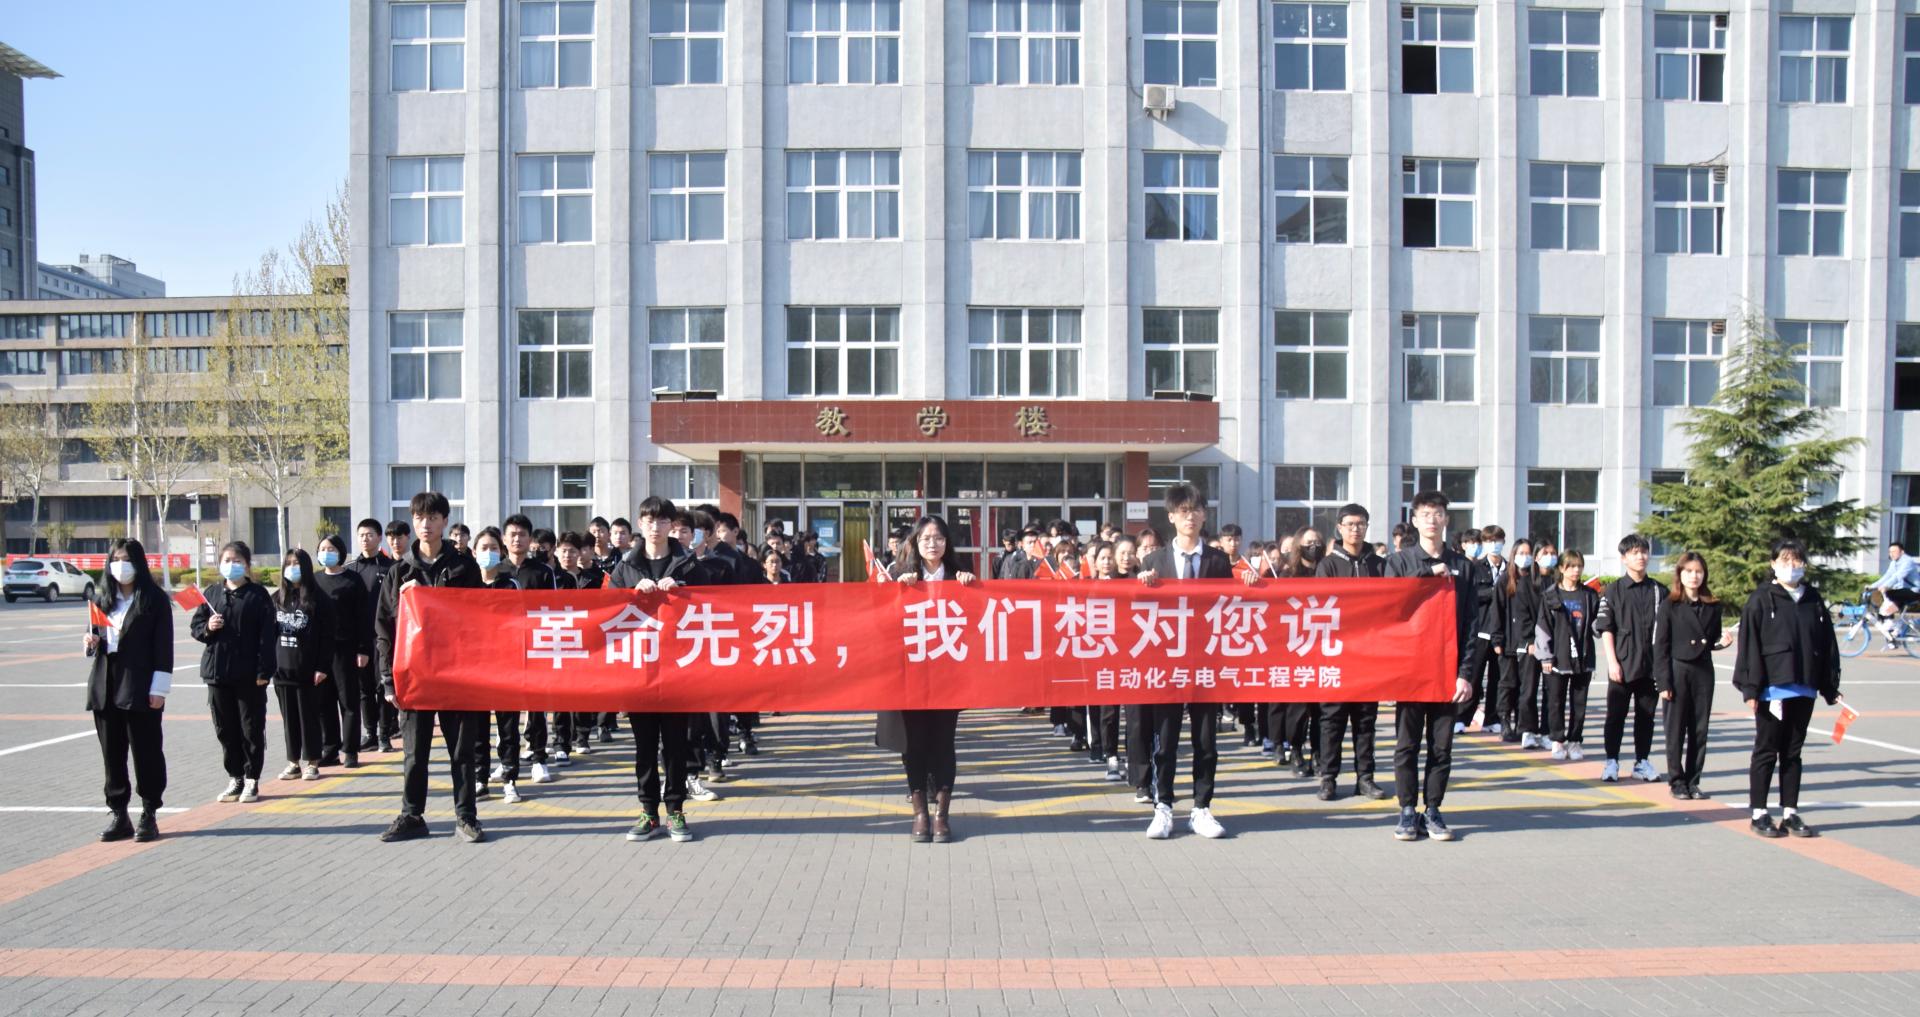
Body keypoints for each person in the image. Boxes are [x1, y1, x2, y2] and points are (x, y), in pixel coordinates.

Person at [1134, 483, 1259, 840]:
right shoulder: (1153, 562)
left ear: (1205, 515)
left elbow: (1232, 605)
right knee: (1166, 739)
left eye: (1196, 510)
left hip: (1207, 663)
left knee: (1206, 740)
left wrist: (1251, 584)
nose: (1190, 517)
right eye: (1183, 511)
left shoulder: (1218, 561)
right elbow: (1136, 611)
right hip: (1168, 663)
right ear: (1171, 517)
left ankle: (1201, 808)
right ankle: (1163, 806)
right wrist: (1140, 584)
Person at [375, 491, 486, 844]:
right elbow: (384, 629)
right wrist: (387, 679)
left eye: (433, 517)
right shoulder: (399, 571)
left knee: (461, 751)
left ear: (444, 521)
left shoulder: (464, 567)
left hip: (456, 674)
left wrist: (428, 595)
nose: (426, 524)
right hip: (414, 675)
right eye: (420, 518)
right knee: (414, 751)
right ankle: (412, 815)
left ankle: (466, 816)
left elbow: (478, 618)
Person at [1383, 490, 1481, 842]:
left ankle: (1434, 809)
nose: (1432, 520)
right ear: (1414, 520)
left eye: (1438, 513)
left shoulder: (1464, 567)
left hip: (1446, 670)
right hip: (1411, 669)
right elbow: (1390, 608)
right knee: (1406, 745)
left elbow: (1471, 625)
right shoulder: (1399, 562)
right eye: (1425, 514)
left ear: (1446, 519)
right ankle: (1408, 810)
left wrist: (1465, 674)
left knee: (1441, 746)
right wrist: (1427, 574)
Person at [609, 496, 707, 843]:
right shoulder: (626, 567)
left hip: (678, 669)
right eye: (649, 520)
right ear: (640, 524)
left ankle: (676, 810)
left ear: (671, 525)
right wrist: (630, 594)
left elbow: (712, 606)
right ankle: (649, 811)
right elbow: (606, 610)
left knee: (676, 745)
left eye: (662, 521)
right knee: (645, 745)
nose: (655, 527)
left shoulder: (688, 565)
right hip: (641, 670)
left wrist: (682, 592)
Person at [1733, 538, 1843, 838]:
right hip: (1772, 689)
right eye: (1784, 560)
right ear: (1773, 564)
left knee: (1793, 752)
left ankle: (1790, 812)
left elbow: (1827, 644)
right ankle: (1759, 812)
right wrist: (1751, 689)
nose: (1791, 566)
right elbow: (1749, 645)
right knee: (1766, 750)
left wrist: (1829, 686)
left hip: (1804, 687)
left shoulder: (1813, 599)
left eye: (1796, 560)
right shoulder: (1761, 599)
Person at [878, 515, 978, 843]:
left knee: (944, 744)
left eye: (938, 538)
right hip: (911, 677)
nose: (932, 544)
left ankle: (942, 815)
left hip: (948, 677)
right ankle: (920, 813)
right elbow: (880, 622)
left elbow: (980, 622)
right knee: (914, 745)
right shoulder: (901, 575)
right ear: (916, 543)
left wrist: (972, 588)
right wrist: (896, 590)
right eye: (926, 538)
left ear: (947, 542)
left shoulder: (960, 576)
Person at [85, 539, 172, 843]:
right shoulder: (101, 599)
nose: (120, 565)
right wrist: (90, 643)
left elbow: (163, 648)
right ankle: (119, 814)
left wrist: (159, 689)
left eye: (126, 559)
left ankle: (149, 812)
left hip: (140, 685)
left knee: (146, 752)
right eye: (115, 559)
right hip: (105, 684)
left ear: (138, 563)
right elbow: (95, 638)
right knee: (112, 754)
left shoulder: (154, 600)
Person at [192, 540, 277, 805]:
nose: (232, 565)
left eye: (237, 561)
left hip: (249, 675)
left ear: (247, 565)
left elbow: (267, 636)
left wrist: (264, 671)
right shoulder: (212, 593)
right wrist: (208, 627)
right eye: (227, 560)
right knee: (225, 728)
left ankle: (252, 778)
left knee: (251, 727)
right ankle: (235, 776)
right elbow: (196, 627)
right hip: (217, 673)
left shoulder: (258, 596)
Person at [1314, 504, 1389, 801]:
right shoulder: (1329, 565)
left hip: (1369, 654)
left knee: (1366, 719)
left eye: (1361, 524)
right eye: (1350, 524)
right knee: (1331, 719)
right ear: (1339, 528)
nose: (1355, 529)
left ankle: (1365, 777)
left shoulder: (1380, 565)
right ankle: (1328, 777)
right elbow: (1321, 605)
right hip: (1336, 653)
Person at [1653, 552, 1732, 800]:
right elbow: (1660, 646)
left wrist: (1722, 643)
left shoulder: (1712, 605)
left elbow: (1710, 640)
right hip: (1677, 669)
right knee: (1675, 729)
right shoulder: (1670, 604)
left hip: (1703, 671)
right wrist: (1663, 681)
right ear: (1680, 574)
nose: (1694, 576)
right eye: (1688, 571)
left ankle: (1693, 780)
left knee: (1699, 729)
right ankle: (1676, 781)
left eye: (1698, 571)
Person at [1595, 534, 1663, 783]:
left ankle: (1642, 761)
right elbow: (1606, 628)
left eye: (1644, 552)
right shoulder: (1613, 590)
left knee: (1646, 716)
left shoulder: (1659, 590)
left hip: (1651, 665)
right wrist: (1612, 662)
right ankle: (1611, 761)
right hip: (1623, 664)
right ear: (1624, 558)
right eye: (1634, 553)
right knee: (1616, 716)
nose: (1641, 557)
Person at [270, 549, 335, 783]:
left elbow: (328, 636)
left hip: (309, 671)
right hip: (282, 671)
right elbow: (268, 634)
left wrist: (322, 667)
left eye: (296, 563)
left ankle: (313, 762)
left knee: (309, 719)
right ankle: (293, 762)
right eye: (288, 564)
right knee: (289, 721)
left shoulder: (319, 599)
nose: (292, 568)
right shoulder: (277, 599)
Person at [313, 534, 372, 769]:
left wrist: (363, 649)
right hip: (321, 650)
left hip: (346, 649)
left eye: (331, 549)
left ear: (340, 552)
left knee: (348, 701)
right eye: (322, 549)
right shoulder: (315, 580)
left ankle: (350, 750)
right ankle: (330, 749)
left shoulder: (353, 580)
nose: (326, 553)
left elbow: (363, 617)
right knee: (323, 702)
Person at [1534, 550, 1598, 762]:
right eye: (1571, 566)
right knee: (1555, 702)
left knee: (1579, 703)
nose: (1576, 570)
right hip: (1558, 658)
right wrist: (1545, 657)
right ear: (1561, 568)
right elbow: (1543, 627)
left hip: (1583, 657)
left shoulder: (1589, 595)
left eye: (1579, 566)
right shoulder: (1550, 595)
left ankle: (1575, 740)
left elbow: (1596, 624)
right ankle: (1557, 740)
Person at [1275, 527, 1326, 779]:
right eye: (1308, 542)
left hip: (1324, 645)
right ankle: (1295, 750)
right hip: (1296, 648)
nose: (1313, 547)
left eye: (1317, 542)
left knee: (1321, 708)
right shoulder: (1288, 575)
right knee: (1298, 707)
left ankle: (1318, 752)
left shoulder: (1327, 571)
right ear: (1298, 546)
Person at [346, 519, 398, 753]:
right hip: (360, 638)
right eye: (361, 535)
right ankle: (370, 733)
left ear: (379, 538)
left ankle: (385, 733)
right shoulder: (351, 570)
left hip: (385, 636)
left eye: (370, 535)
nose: (365, 539)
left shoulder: (391, 567)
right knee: (364, 689)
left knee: (383, 685)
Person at [1501, 539, 1547, 750]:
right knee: (1514, 685)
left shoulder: (1543, 581)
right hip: (1519, 642)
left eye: (1528, 553)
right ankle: (1514, 724)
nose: (1525, 557)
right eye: (1522, 553)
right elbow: (1503, 612)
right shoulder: (1508, 580)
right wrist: (1498, 638)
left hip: (1545, 643)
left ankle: (1543, 730)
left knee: (1547, 691)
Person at [1866, 541, 1920, 642]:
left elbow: (1898, 576)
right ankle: (1893, 637)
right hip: (1905, 591)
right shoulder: (1894, 563)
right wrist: (1872, 586)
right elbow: (1887, 576)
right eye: (1890, 552)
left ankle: (1891, 623)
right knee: (1883, 610)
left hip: (1915, 591)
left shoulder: (1908, 562)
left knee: (1890, 594)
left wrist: (1886, 586)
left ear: (1902, 552)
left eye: (1894, 551)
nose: (1891, 554)